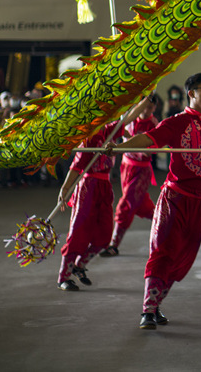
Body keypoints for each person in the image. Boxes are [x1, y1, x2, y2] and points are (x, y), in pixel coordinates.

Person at [104, 73, 201, 329]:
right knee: (162, 251)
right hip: (175, 198)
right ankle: (147, 310)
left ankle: (156, 306)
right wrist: (118, 147)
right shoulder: (176, 123)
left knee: (183, 258)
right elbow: (149, 139)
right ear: (191, 93)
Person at [57, 98, 150, 291]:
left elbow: (129, 117)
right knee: (79, 232)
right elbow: (76, 167)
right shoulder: (89, 139)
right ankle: (64, 276)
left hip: (105, 187)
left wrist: (145, 98)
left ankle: (80, 265)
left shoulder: (109, 131)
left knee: (104, 236)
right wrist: (65, 189)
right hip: (88, 188)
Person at [101, 97, 159, 257]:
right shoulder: (130, 119)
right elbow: (120, 129)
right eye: (143, 106)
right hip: (126, 167)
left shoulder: (154, 124)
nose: (145, 110)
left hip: (141, 171)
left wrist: (136, 144)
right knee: (142, 206)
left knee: (126, 204)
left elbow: (151, 150)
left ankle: (114, 245)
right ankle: (169, 224)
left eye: (149, 107)